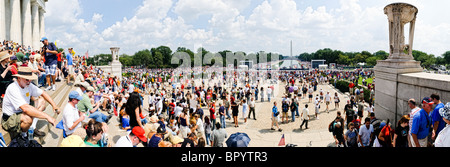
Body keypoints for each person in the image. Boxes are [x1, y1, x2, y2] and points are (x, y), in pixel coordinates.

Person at [1, 67, 60, 139]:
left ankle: (32, 127)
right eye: (27, 79)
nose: (29, 81)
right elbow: (26, 109)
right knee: (27, 118)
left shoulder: (28, 85)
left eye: (30, 79)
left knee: (42, 101)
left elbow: (43, 93)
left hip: (21, 112)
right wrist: (47, 117)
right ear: (19, 78)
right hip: (9, 118)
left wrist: (54, 105)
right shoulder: (13, 88)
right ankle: (24, 136)